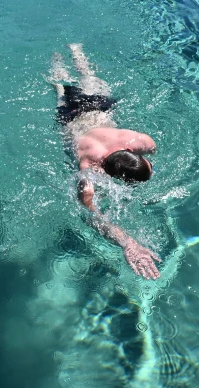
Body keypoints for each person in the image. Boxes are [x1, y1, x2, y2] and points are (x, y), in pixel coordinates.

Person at [50, 44, 161, 279]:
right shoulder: (87, 167)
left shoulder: (135, 140)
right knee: (69, 84)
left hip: (90, 110)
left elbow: (152, 150)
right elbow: (91, 213)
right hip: (81, 113)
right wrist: (127, 243)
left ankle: (61, 56)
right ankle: (73, 52)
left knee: (65, 85)